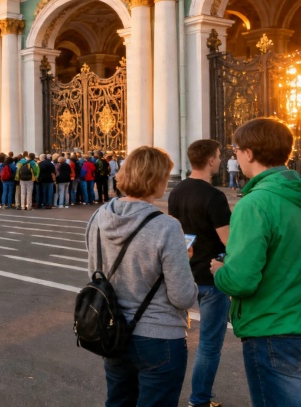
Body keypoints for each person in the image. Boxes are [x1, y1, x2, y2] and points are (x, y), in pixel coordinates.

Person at [211, 117, 301, 407]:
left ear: (250, 153)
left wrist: (219, 272)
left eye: (236, 150)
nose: (236, 156)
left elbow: (242, 280)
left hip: (273, 331)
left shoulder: (255, 203)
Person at [87, 146, 198, 407]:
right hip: (160, 337)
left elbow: (96, 274)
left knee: (118, 401)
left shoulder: (98, 217)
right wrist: (186, 263)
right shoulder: (166, 226)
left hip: (112, 330)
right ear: (155, 178)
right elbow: (182, 297)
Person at [168, 140, 231, 407]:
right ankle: (199, 399)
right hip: (211, 276)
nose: (219, 159)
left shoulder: (177, 191)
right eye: (218, 155)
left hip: (185, 272)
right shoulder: (214, 196)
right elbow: (229, 241)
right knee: (209, 345)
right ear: (211, 160)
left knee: (175, 338)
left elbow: (177, 234)